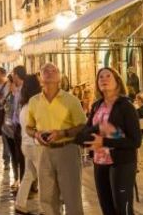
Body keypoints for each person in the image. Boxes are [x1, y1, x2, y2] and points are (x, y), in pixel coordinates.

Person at [26, 63, 87, 215]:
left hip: (67, 150)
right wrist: (36, 134)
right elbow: (28, 127)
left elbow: (82, 126)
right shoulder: (34, 101)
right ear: (40, 78)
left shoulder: (71, 100)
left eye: (53, 70)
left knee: (72, 197)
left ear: (59, 77)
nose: (49, 72)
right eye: (45, 70)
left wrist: (62, 133)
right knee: (46, 198)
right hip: (43, 152)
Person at [81, 67, 141, 215]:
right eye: (100, 77)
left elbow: (135, 141)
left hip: (121, 163)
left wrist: (105, 141)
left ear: (117, 82)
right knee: (107, 208)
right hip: (99, 163)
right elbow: (88, 131)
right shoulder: (96, 106)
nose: (104, 79)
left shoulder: (126, 106)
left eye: (108, 76)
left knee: (122, 209)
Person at [15, 74, 43, 215]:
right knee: (43, 176)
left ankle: (20, 204)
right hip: (35, 145)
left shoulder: (24, 106)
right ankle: (45, 208)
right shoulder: (35, 105)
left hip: (26, 145)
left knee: (29, 174)